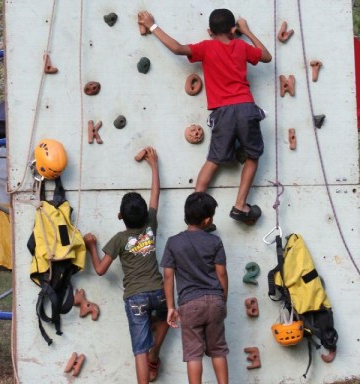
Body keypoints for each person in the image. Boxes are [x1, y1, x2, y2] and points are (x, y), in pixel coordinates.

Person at [138, 9, 272, 226]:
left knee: (213, 161)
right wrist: (246, 32)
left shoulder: (206, 47)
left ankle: (196, 214)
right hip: (246, 107)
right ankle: (240, 205)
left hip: (223, 112)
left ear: (210, 31)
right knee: (253, 156)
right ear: (233, 30)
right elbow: (266, 56)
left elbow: (177, 48)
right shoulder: (241, 45)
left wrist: (152, 26)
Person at [83, 147, 169, 383]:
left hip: (136, 298)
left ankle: (148, 357)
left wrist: (91, 245)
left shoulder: (119, 239)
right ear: (145, 214)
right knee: (165, 318)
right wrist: (154, 165)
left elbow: (100, 270)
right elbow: (155, 194)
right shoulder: (151, 224)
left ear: (120, 216)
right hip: (159, 293)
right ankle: (156, 354)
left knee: (138, 349)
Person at [161, 192, 229, 384]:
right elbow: (222, 274)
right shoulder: (215, 242)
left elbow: (168, 276)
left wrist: (171, 307)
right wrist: (223, 300)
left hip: (189, 304)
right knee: (218, 350)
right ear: (207, 220)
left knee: (193, 354)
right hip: (215, 300)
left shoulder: (173, 243)